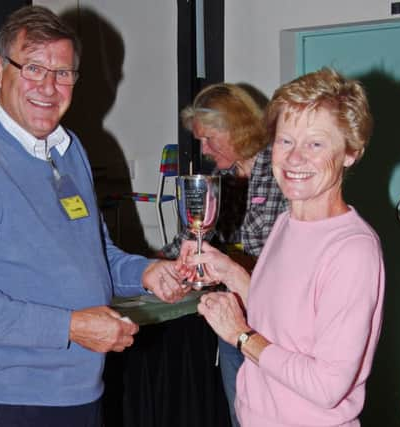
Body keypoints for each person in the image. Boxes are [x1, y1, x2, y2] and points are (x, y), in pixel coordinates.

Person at [0, 6, 188, 427]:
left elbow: (96, 257)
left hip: (79, 392)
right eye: (33, 67)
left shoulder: (67, 150)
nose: (48, 85)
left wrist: (148, 273)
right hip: (10, 402)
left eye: (63, 73)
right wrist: (69, 327)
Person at [179, 68, 384, 426]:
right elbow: (276, 313)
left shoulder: (352, 250)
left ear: (350, 151)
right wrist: (230, 271)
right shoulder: (289, 222)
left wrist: (239, 335)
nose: (293, 158)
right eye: (285, 141)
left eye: (315, 143)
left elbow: (326, 386)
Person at [161, 83, 287, 427]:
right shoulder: (219, 181)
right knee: (242, 416)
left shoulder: (282, 172)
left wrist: (232, 267)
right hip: (232, 321)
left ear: (237, 129)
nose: (204, 149)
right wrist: (154, 266)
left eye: (209, 139)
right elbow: (190, 239)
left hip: (278, 326)